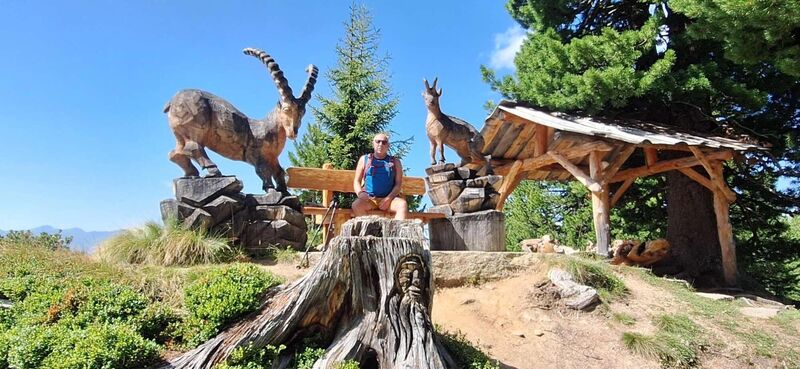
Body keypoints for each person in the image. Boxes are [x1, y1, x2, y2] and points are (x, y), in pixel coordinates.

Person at [352, 133, 409, 220]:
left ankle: (397, 233)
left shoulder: (395, 162)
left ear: (388, 145)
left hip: (389, 200)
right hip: (369, 199)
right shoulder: (364, 159)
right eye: (378, 141)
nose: (380, 144)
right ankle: (368, 231)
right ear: (373, 143)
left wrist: (389, 198)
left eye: (384, 142)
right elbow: (356, 181)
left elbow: (398, 184)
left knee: (402, 205)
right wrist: (360, 193)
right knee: (356, 205)